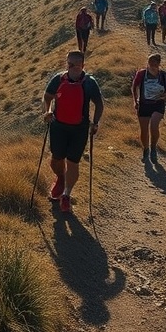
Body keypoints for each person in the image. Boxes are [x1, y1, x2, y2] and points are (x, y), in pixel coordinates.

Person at [43, 50, 103, 212]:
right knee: (56, 159)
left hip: (80, 129)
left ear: (82, 65)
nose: (71, 67)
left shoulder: (89, 82)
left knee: (73, 162)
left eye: (75, 64)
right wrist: (48, 111)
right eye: (69, 64)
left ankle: (66, 195)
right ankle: (61, 178)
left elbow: (99, 103)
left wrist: (95, 123)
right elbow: (47, 96)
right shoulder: (58, 79)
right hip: (58, 126)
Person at [132, 53, 166, 165]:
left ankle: (153, 147)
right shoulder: (141, 74)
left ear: (159, 64)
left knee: (154, 126)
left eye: (155, 63)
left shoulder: (164, 75)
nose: (152, 65)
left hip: (157, 104)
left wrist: (164, 97)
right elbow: (134, 86)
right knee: (144, 130)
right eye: (150, 63)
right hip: (144, 105)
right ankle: (146, 150)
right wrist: (135, 101)